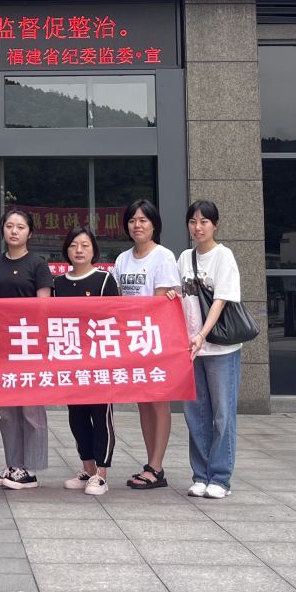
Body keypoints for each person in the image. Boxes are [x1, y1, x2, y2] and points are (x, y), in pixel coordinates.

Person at [112, 198, 182, 491]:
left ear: (154, 224)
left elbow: (160, 301)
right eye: (132, 220)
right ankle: (150, 464)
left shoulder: (163, 256)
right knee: (143, 401)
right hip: (131, 339)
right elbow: (116, 299)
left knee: (158, 401)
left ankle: (157, 466)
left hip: (155, 338)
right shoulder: (122, 259)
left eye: (143, 220)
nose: (137, 225)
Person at [0, 207, 53, 490]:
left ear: (30, 233)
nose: (14, 231)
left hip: (28, 345)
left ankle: (30, 470)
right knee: (7, 411)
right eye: (9, 226)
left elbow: (44, 308)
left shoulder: (38, 264)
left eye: (20, 227)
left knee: (31, 409)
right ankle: (14, 465)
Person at [180, 200, 244, 500]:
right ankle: (200, 475)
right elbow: (179, 297)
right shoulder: (184, 258)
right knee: (196, 414)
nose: (198, 227)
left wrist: (202, 334)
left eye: (204, 221)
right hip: (191, 349)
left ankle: (220, 477)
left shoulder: (223, 256)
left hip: (219, 348)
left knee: (222, 414)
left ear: (215, 225)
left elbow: (221, 300)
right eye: (193, 221)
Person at [55, 226, 119, 497]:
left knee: (101, 416)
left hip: (99, 362)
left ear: (94, 249)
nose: (79, 250)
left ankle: (102, 474)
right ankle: (88, 468)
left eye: (84, 245)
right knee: (77, 416)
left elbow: (117, 318)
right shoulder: (58, 283)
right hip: (71, 362)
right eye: (73, 245)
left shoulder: (104, 280)